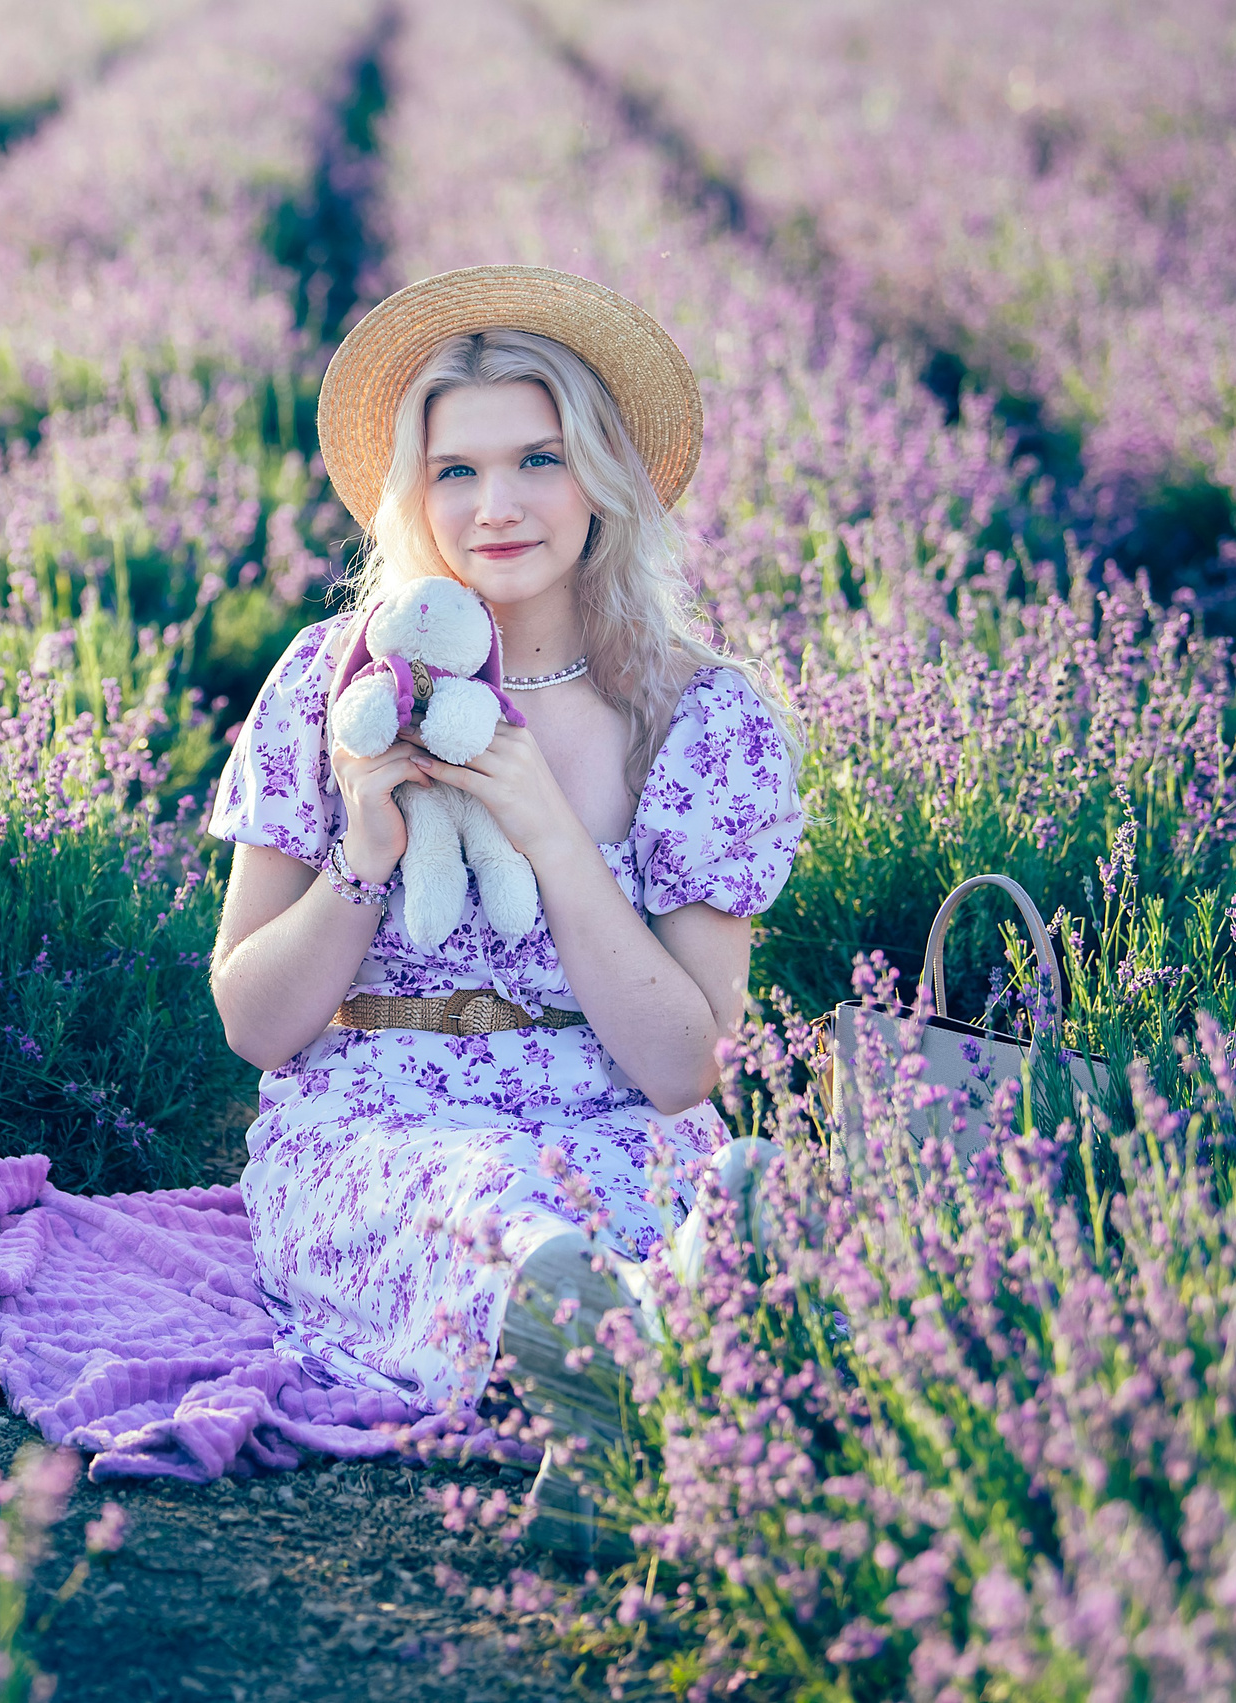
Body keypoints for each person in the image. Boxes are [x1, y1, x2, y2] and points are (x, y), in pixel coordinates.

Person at [204, 266, 805, 1547]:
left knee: (675, 1196)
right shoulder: (331, 683)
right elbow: (255, 1024)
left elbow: (681, 1064)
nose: (497, 505)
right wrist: (366, 847)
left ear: (602, 471)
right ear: (410, 497)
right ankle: (658, 1354)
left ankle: (613, 1384)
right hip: (366, 1120)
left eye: (537, 456)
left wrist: (543, 820)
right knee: (481, 1219)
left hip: (610, 1120)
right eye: (455, 471)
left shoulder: (702, 717)